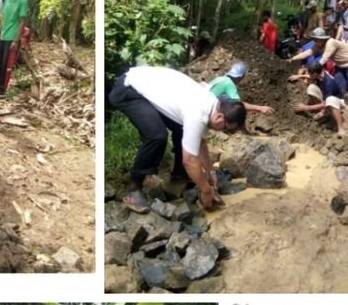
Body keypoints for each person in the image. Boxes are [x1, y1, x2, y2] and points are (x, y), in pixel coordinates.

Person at [109, 66, 246, 213]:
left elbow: (200, 142)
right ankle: (133, 188)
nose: (223, 131)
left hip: (149, 88)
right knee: (157, 136)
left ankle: (179, 174)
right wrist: (206, 190)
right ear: (220, 117)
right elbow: (189, 160)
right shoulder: (198, 113)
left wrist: (210, 172)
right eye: (226, 128)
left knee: (183, 129)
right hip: (129, 89)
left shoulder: (213, 106)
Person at [289, 27, 348, 114]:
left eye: (317, 39)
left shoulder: (330, 43)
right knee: (338, 82)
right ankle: (339, 103)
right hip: (340, 64)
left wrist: (314, 68)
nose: (315, 41)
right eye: (314, 39)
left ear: (323, 39)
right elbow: (308, 52)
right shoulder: (318, 45)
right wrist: (293, 58)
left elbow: (324, 58)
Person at [0, 0, 28, 95]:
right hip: (3, 35)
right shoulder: (6, 0)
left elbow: (22, 21)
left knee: (6, 63)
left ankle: (1, 88)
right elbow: (4, 19)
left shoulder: (22, 2)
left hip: (12, 37)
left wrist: (16, 40)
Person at [294, 62, 345, 134]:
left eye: (310, 73)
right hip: (326, 97)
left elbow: (325, 103)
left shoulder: (329, 83)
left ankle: (341, 128)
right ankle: (325, 113)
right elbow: (310, 76)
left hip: (338, 102)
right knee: (311, 88)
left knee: (330, 100)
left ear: (315, 74)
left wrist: (306, 107)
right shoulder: (320, 74)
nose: (308, 74)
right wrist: (298, 76)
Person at [208, 62, 274, 114]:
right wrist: (259, 108)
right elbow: (238, 104)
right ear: (241, 77)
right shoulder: (229, 84)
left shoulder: (220, 78)